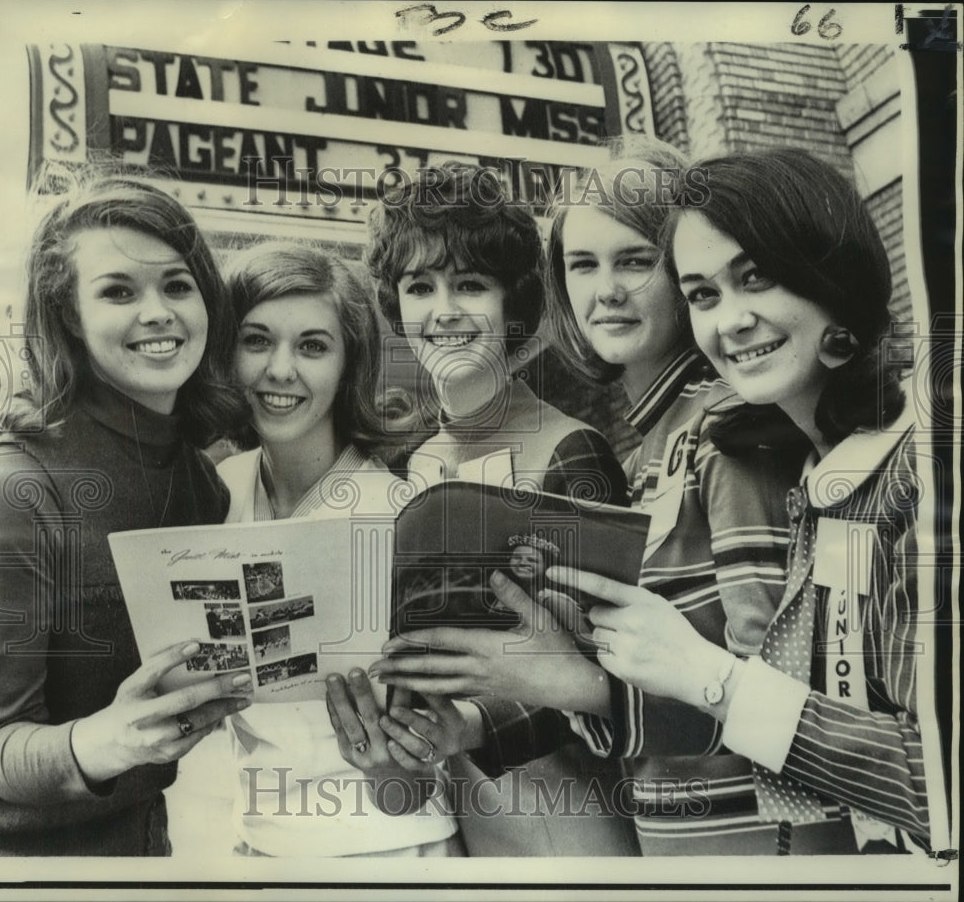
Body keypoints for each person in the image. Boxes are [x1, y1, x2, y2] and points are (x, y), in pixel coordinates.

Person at [370, 140, 806, 855]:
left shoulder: (729, 430)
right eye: (583, 264)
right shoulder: (650, 449)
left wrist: (568, 687)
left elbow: (772, 694)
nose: (606, 290)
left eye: (635, 260)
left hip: (715, 841)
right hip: (629, 827)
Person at [549, 147, 934, 854]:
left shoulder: (920, 468)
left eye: (756, 278)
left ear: (831, 271)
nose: (732, 320)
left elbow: (937, 781)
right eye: (704, 294)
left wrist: (707, 676)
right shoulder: (821, 476)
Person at [355, 161, 636, 857]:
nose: (443, 309)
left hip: (572, 818)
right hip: (464, 821)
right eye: (420, 287)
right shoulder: (413, 466)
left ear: (513, 305)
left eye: (469, 285)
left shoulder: (571, 449)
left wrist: (479, 723)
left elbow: (614, 671)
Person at [0, 174, 252, 856]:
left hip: (147, 845)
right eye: (118, 291)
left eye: (176, 285)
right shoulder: (16, 483)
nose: (158, 311)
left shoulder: (203, 481)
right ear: (69, 314)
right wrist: (107, 740)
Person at [209, 242, 463, 857]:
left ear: (350, 364)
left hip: (393, 856)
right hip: (261, 853)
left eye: (313, 346)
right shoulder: (214, 494)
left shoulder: (403, 514)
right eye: (256, 340)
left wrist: (391, 772)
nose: (281, 369)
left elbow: (430, 761)